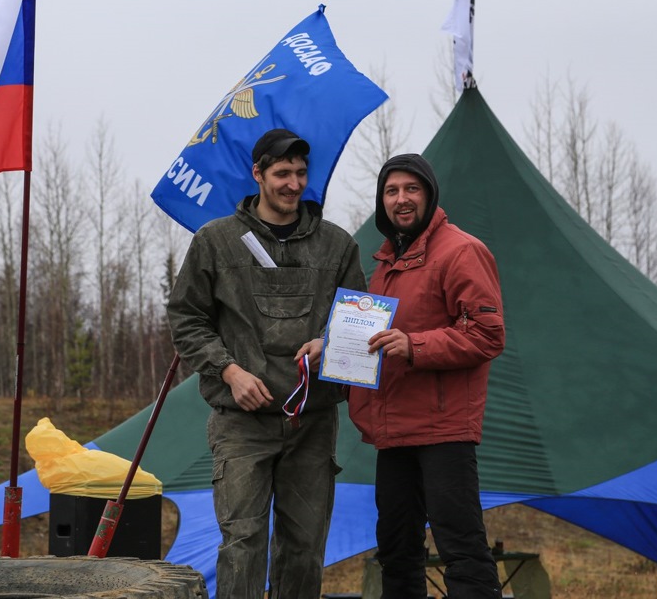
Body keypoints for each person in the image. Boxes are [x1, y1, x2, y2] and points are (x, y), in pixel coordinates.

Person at [167, 128, 366, 599]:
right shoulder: (216, 242)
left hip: (312, 423)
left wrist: (330, 341)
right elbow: (186, 319)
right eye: (282, 173)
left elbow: (361, 326)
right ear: (257, 175)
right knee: (243, 543)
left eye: (300, 173)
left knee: (304, 547)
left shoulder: (338, 247)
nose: (293, 184)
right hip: (241, 423)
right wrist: (228, 371)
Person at [348, 153, 506, 599]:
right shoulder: (383, 267)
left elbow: (488, 335)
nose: (401, 199)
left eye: (411, 189)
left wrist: (414, 346)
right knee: (396, 553)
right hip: (393, 430)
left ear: (429, 194)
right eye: (391, 191)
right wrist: (331, 346)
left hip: (444, 429)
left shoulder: (462, 251)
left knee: (462, 549)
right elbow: (370, 338)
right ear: (382, 201)